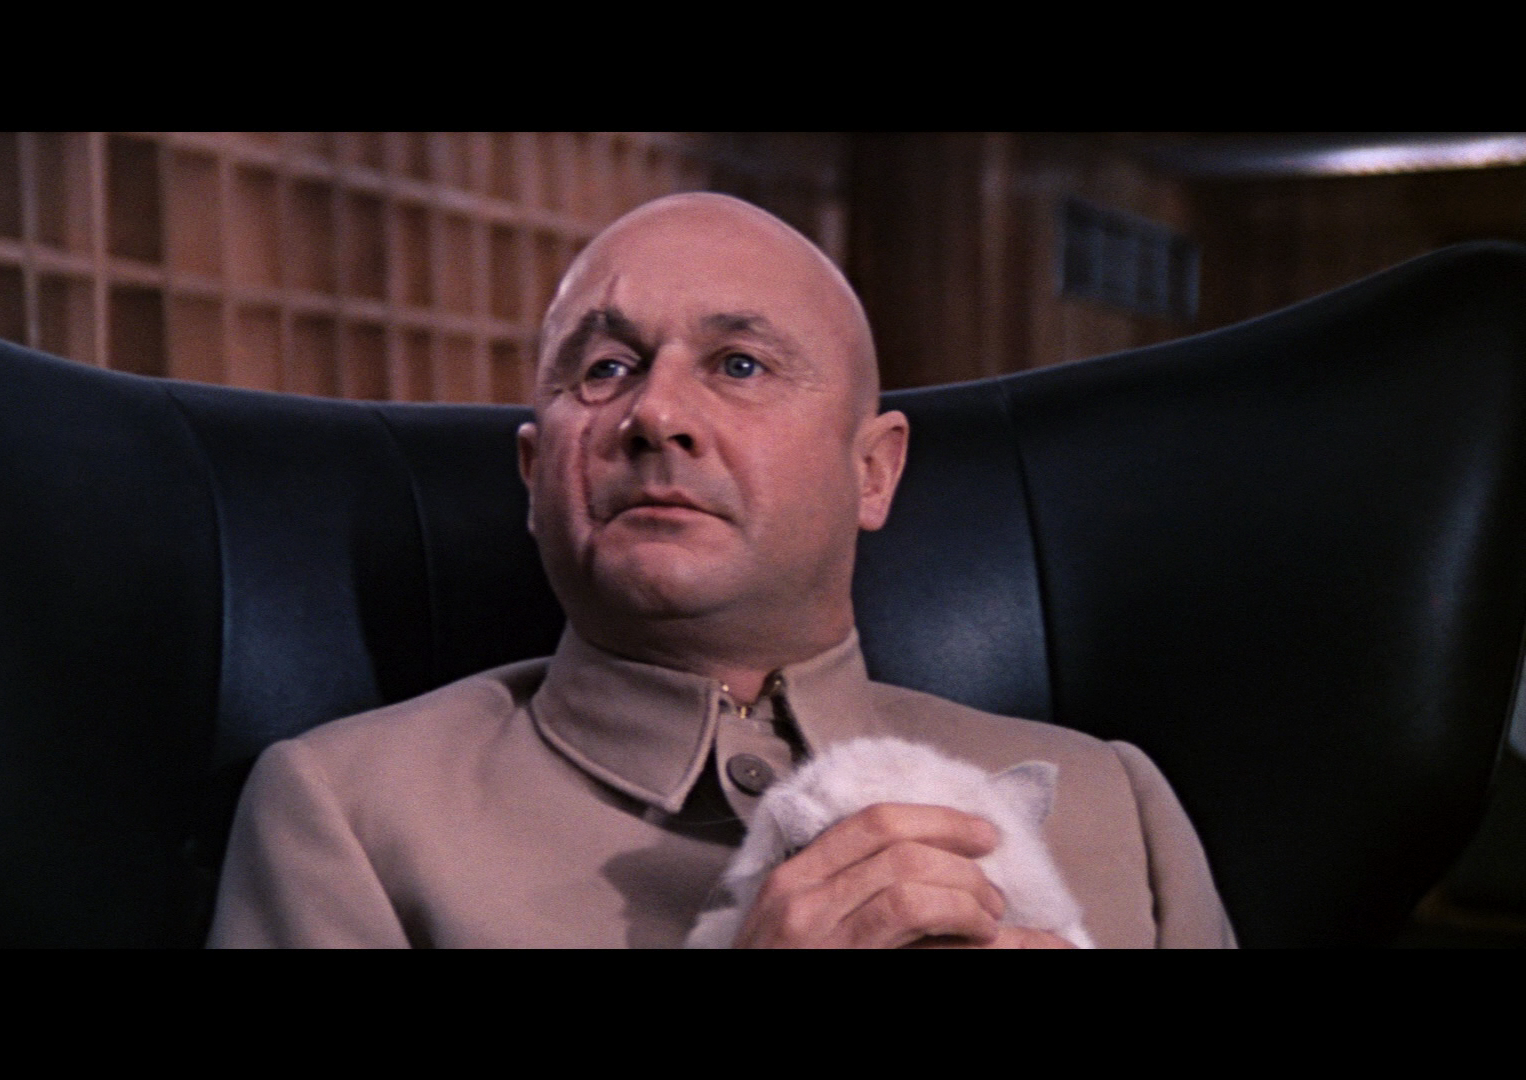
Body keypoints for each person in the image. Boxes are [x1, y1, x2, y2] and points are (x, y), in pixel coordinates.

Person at [208, 193, 1235, 948]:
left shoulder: (1112, 805)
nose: (654, 413)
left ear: (873, 472)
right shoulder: (349, 814)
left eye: (740, 364)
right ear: (533, 476)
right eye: (606, 368)